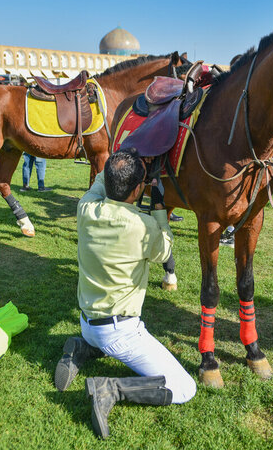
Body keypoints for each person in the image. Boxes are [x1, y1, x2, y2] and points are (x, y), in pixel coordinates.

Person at [54, 147, 196, 438]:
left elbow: (101, 182)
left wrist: (121, 158)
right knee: (184, 388)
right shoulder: (143, 228)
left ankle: (81, 348)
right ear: (137, 191)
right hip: (121, 332)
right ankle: (111, 389)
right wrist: (159, 208)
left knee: (100, 338)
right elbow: (165, 247)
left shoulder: (86, 207)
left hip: (88, 322)